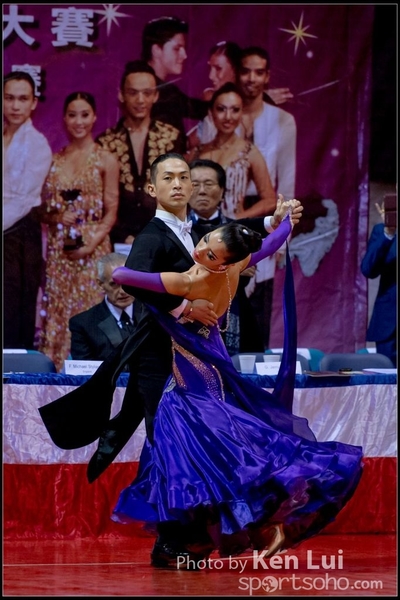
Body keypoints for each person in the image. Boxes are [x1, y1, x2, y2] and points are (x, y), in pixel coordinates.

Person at [38, 152, 303, 569]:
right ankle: (173, 542)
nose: (178, 184)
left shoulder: (196, 232)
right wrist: (183, 309)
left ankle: (200, 535)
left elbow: (235, 239)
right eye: (168, 178)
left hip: (197, 357)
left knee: (200, 442)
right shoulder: (152, 235)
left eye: (183, 177)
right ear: (152, 188)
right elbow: (132, 281)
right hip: (158, 358)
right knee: (170, 445)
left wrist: (274, 222)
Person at [109, 201, 363, 566]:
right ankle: (256, 530)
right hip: (213, 372)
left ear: (223, 263)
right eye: (205, 240)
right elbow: (273, 242)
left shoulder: (189, 280)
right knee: (220, 455)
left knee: (197, 457)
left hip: (189, 385)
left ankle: (250, 530)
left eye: (211, 253)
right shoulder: (237, 266)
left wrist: (176, 304)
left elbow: (121, 275)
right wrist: (284, 223)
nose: (200, 250)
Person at [38, 91, 119, 372]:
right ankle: (55, 375)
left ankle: (95, 376)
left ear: (94, 117)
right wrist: (57, 216)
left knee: (90, 310)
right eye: (72, 115)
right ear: (64, 118)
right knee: (58, 311)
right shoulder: (54, 160)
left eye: (84, 115)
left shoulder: (105, 159)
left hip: (94, 248)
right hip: (60, 250)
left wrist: (91, 243)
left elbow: (112, 210)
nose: (79, 121)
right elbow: (40, 209)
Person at [237, 45, 298, 349]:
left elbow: (287, 179)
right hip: (227, 214)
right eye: (246, 71)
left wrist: (284, 232)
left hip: (266, 212)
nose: (251, 78)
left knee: (258, 295)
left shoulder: (282, 120)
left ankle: (254, 368)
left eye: (258, 72)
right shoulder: (223, 114)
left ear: (267, 76)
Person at [97, 60, 186, 246]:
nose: (140, 100)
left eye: (147, 93)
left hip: (161, 241)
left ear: (156, 96)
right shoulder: (105, 143)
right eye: (133, 93)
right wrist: (123, 236)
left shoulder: (171, 138)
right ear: (121, 95)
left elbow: (179, 195)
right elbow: (99, 201)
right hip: (116, 242)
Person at [189, 157, 268, 354]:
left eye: (209, 184)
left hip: (235, 309)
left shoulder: (239, 232)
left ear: (222, 190)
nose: (202, 191)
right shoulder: (176, 232)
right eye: (195, 184)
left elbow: (247, 274)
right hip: (190, 312)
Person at [3, 71, 52, 349]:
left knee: (13, 308)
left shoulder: (37, 144)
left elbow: (22, 200)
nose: (15, 106)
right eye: (9, 98)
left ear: (34, 103)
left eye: (22, 99)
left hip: (20, 234)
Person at [186, 82, 277, 220]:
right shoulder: (198, 152)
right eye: (221, 109)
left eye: (235, 110)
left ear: (242, 113)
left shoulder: (249, 153)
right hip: (197, 230)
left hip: (231, 230)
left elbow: (270, 200)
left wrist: (237, 218)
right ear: (211, 112)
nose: (228, 117)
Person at [141, 16, 208, 138]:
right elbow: (200, 110)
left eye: (183, 48)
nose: (184, 55)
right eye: (177, 49)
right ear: (156, 50)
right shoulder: (163, 93)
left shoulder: (164, 90)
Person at [69, 253, 135, 362]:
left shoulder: (153, 314)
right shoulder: (83, 324)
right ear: (101, 284)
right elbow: (84, 369)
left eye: (127, 282)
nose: (123, 291)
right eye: (114, 284)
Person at [360, 200, 397, 367]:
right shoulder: (382, 231)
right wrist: (388, 234)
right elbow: (368, 269)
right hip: (390, 324)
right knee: (388, 380)